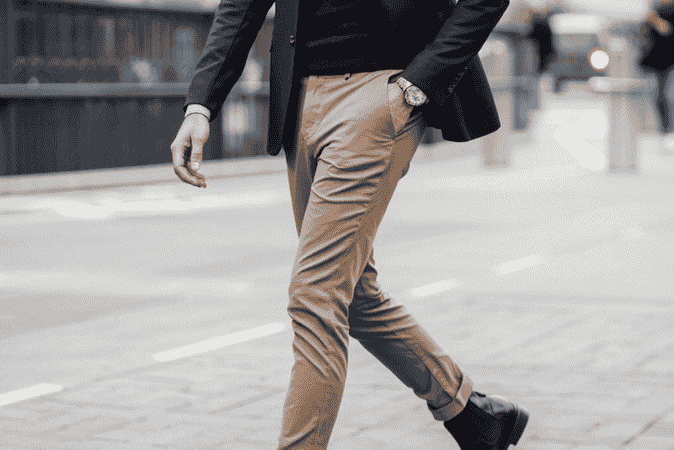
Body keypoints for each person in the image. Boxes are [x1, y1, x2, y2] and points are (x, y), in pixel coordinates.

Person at [168, 0, 529, 448]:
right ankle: (472, 414)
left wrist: (418, 83)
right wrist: (200, 105)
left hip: (379, 96)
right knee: (353, 293)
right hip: (299, 102)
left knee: (314, 295)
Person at [638, 0, 674, 147]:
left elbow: (669, 31)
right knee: (655, 95)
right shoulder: (656, 10)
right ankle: (664, 129)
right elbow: (646, 36)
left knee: (672, 96)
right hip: (655, 62)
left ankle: (671, 131)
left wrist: (655, 20)